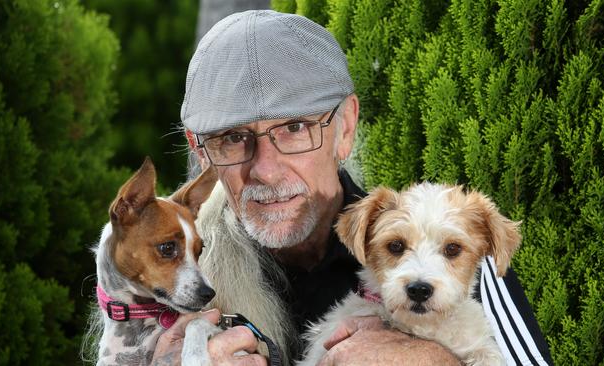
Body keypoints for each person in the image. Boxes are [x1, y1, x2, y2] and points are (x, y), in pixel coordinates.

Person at [151, 9, 553, 366]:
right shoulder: (164, 265)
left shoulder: (460, 252)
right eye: (233, 138)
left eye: (294, 128)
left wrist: (432, 359)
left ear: (345, 127)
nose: (266, 171)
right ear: (200, 151)